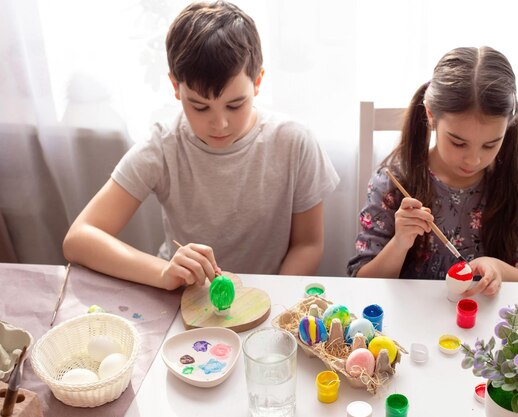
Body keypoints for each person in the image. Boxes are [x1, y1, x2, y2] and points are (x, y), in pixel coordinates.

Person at [63, 1, 339, 290]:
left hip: (266, 300)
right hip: (184, 299)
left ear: (257, 82)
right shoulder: (163, 146)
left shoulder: (294, 142)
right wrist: (162, 272)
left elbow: (308, 244)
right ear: (175, 87)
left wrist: (271, 296)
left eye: (235, 104)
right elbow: (79, 239)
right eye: (199, 106)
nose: (219, 124)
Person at [347, 46, 518, 296]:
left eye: (490, 144)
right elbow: (361, 282)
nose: (474, 159)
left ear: (508, 128)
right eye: (458, 142)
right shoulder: (393, 182)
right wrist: (400, 242)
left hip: (484, 325)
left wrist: (498, 269)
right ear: (431, 115)